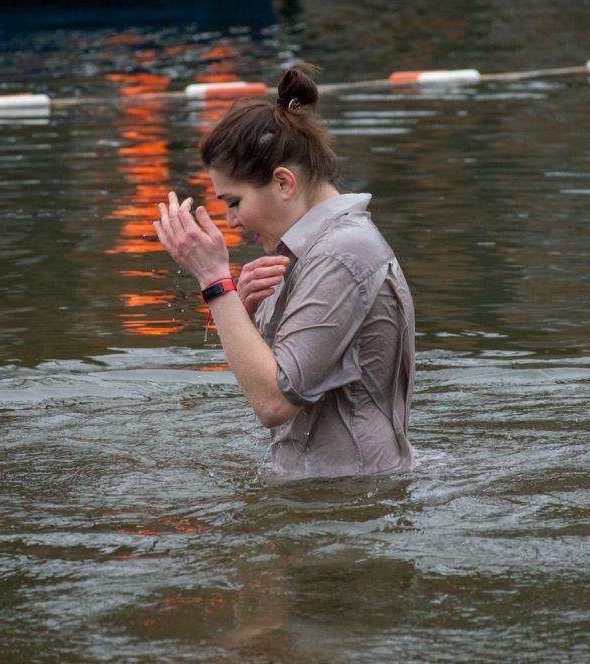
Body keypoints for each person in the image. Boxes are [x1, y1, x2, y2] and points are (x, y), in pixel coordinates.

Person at [154, 64, 415, 478]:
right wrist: (247, 315)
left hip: (349, 497)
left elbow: (274, 402)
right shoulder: (317, 250)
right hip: (332, 489)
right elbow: (297, 379)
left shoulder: (339, 254)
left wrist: (214, 282)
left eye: (234, 202)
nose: (232, 221)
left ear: (283, 183)